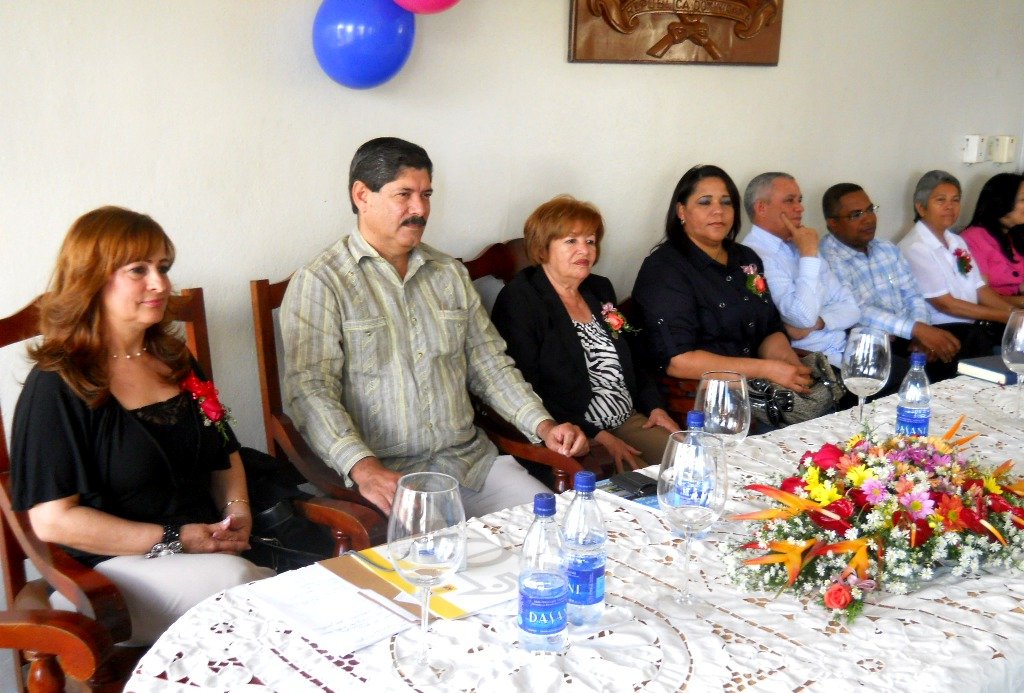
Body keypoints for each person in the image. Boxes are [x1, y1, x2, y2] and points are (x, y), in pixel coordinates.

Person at [281, 137, 587, 519]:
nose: (420, 209)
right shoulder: (322, 282)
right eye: (404, 195)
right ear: (362, 195)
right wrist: (363, 468)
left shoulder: (448, 273)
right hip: (392, 478)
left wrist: (543, 425)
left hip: (471, 465)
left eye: (426, 195)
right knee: (442, 556)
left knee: (556, 528)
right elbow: (310, 391)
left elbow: (490, 365)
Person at [10, 207, 272, 646]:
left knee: (268, 582)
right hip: (110, 572)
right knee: (242, 589)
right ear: (92, 279)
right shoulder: (56, 383)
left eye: (163, 268)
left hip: (207, 549)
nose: (161, 284)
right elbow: (53, 522)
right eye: (139, 270)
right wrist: (176, 539)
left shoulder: (175, 360)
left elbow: (224, 453)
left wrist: (238, 512)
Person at [491, 195, 677, 473]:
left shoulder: (599, 289)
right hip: (575, 430)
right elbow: (526, 385)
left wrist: (655, 408)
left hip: (627, 417)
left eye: (590, 241)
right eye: (571, 241)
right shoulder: (521, 299)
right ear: (543, 248)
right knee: (644, 483)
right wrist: (598, 436)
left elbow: (631, 358)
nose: (585, 250)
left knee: (693, 461)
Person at [631, 164, 812, 398]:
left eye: (726, 202)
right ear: (682, 211)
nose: (718, 211)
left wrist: (789, 365)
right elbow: (679, 361)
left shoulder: (746, 258)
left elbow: (769, 329)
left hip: (762, 387)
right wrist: (767, 370)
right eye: (705, 202)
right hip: (703, 397)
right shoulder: (665, 268)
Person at [820, 183, 961, 385]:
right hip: (866, 344)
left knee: (965, 340)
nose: (868, 219)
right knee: (907, 372)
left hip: (907, 335)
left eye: (870, 209)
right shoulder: (827, 258)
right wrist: (917, 330)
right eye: (856, 215)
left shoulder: (886, 249)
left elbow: (913, 295)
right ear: (832, 223)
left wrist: (921, 334)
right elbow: (856, 310)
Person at [742, 172, 860, 368]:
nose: (800, 208)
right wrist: (808, 255)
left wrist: (819, 322)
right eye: (789, 201)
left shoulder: (802, 241)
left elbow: (852, 308)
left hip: (847, 352)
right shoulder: (753, 256)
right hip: (811, 362)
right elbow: (802, 317)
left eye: (800, 200)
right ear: (761, 207)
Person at [898, 170, 1014, 364]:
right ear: (921, 207)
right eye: (940, 200)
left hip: (971, 325)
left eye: (955, 200)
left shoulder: (956, 241)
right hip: (939, 330)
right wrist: (1007, 317)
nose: (949, 207)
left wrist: (1013, 313)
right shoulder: (915, 247)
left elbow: (979, 288)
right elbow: (946, 304)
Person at [961, 172, 1024, 306]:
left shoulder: (1015, 234)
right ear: (1002, 202)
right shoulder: (972, 239)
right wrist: (1020, 303)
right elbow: (979, 296)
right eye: (1023, 200)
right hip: (998, 313)